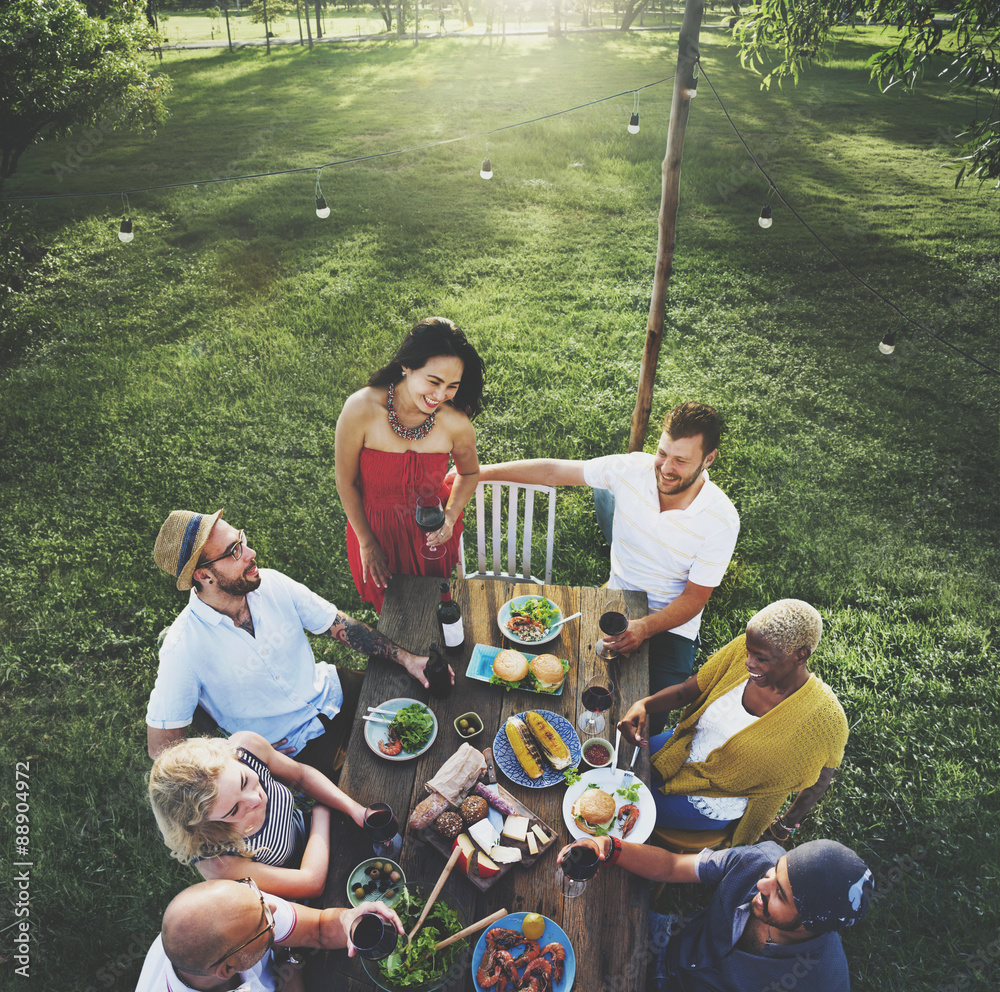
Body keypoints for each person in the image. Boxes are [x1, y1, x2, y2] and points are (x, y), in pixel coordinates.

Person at [474, 401, 738, 731]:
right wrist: (476, 474)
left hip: (672, 628)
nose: (666, 468)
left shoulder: (721, 520)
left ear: (708, 459)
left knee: (642, 723)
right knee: (569, 687)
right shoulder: (630, 469)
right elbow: (554, 471)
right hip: (617, 599)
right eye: (662, 453)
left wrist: (644, 627)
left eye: (681, 461)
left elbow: (694, 600)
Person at [148, 509, 450, 768]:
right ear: (203, 576)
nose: (251, 554)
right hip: (297, 750)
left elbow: (339, 625)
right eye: (234, 551)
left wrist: (408, 660)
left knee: (436, 707)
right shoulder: (183, 649)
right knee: (390, 783)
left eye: (242, 540)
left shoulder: (272, 584)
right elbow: (162, 750)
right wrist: (234, 755)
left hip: (334, 691)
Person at [619, 600, 847, 846]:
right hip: (684, 745)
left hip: (716, 795)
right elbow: (688, 690)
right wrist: (644, 705)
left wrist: (786, 824)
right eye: (749, 651)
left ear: (800, 655)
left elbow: (823, 775)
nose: (748, 661)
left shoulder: (824, 718)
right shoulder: (746, 649)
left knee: (620, 804)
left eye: (760, 658)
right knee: (610, 768)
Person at [556, 835, 873, 992]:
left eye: (780, 894)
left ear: (809, 924)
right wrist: (610, 847)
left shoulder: (821, 981)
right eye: (776, 872)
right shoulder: (759, 859)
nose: (762, 883)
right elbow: (671, 866)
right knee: (564, 926)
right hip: (668, 938)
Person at [335, 316, 484, 613]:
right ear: (406, 365)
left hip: (430, 532)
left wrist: (451, 517)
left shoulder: (456, 423)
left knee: (433, 608)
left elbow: (469, 473)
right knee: (392, 614)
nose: (440, 396)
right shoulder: (361, 409)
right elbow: (346, 482)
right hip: (376, 532)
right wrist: (367, 542)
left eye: (452, 386)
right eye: (433, 381)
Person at [149, 731, 368, 899]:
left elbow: (300, 777)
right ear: (205, 825)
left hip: (322, 831)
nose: (255, 799)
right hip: (310, 887)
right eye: (234, 809)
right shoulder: (217, 860)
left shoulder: (246, 749)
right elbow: (310, 884)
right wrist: (321, 812)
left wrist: (354, 809)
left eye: (244, 781)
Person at [135, 875, 402, 992]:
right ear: (228, 969)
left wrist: (348, 918)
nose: (273, 906)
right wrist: (291, 972)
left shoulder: (244, 908)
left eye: (253, 892)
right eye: (263, 923)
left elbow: (319, 928)